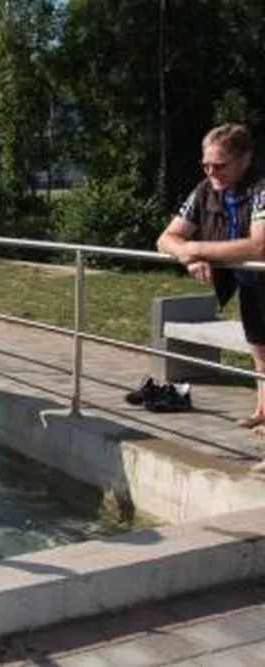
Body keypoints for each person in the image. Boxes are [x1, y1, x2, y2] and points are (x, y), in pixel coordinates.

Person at [156, 124, 265, 452]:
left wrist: (198, 249)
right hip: (251, 285)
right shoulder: (205, 190)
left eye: (220, 165)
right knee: (260, 353)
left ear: (245, 159)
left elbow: (259, 246)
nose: (211, 171)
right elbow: (166, 238)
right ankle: (263, 412)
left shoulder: (261, 188)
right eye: (206, 164)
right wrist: (186, 256)